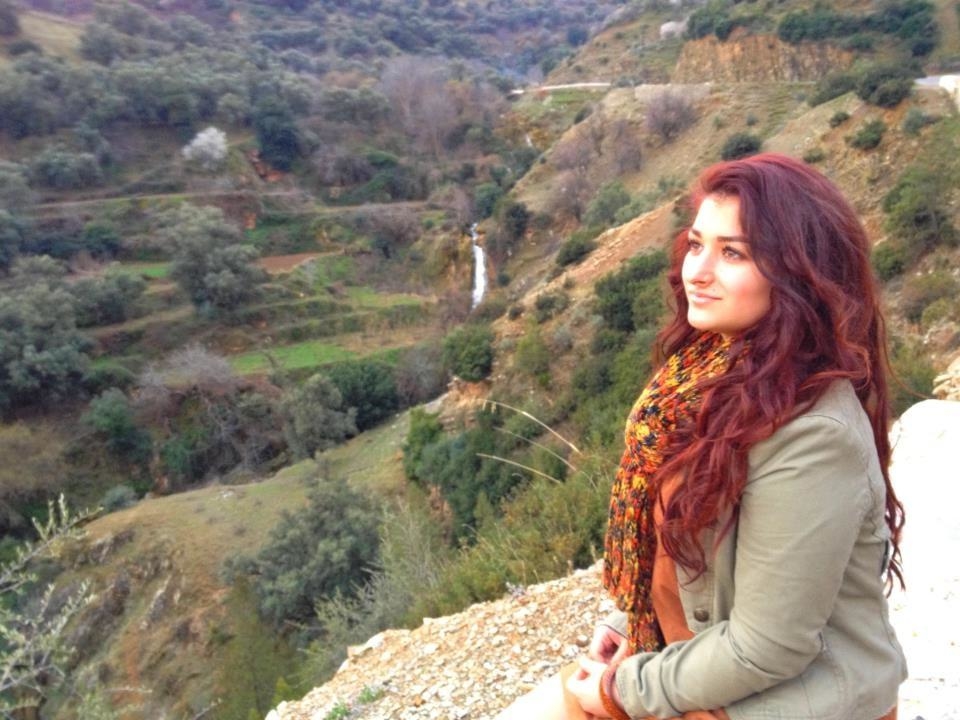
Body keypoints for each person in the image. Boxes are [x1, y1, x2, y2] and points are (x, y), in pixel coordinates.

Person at [495, 153, 907, 720]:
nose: (697, 272)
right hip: (703, 666)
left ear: (798, 273)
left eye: (732, 253)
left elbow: (767, 647)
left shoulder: (813, 435)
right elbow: (692, 555)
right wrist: (631, 622)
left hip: (797, 700)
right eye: (695, 245)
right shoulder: (702, 379)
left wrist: (622, 691)